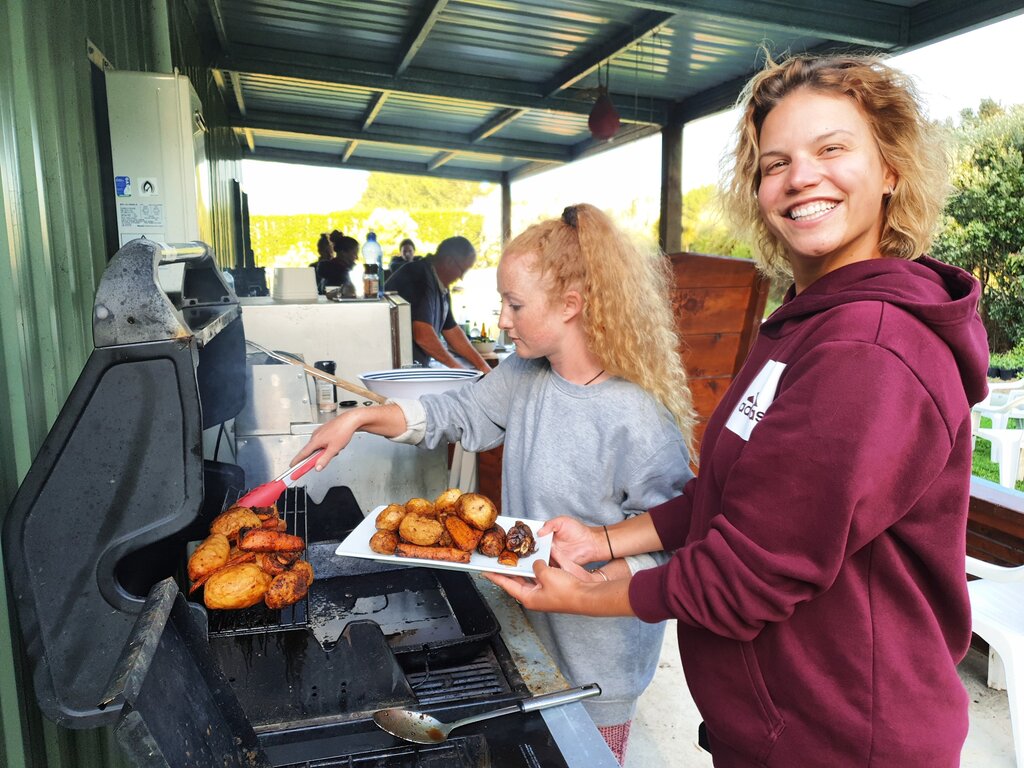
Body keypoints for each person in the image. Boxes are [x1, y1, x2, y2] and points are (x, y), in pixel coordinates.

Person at [485, 53, 990, 767]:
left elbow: (748, 572)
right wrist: (604, 542)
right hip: (775, 722)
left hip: (845, 737)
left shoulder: (868, 349)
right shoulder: (800, 326)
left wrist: (579, 596)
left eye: (832, 149)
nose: (800, 177)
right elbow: (731, 503)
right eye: (775, 162)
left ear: (891, 170)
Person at [293, 204, 698, 764]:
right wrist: (360, 419)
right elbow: (455, 413)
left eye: (514, 305)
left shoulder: (638, 418)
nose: (502, 320)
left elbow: (678, 543)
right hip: (527, 631)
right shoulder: (524, 374)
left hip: (598, 669)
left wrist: (587, 583)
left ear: (571, 306)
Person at [383, 235, 491, 373]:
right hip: (394, 368)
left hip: (413, 368)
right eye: (462, 271)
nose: (461, 278)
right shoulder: (419, 276)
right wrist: (459, 370)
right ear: (449, 261)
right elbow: (423, 335)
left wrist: (483, 366)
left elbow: (451, 330)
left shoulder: (441, 285)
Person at [319, 232, 357, 297]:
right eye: (354, 253)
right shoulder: (337, 274)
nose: (356, 257)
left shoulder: (326, 268)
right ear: (343, 253)